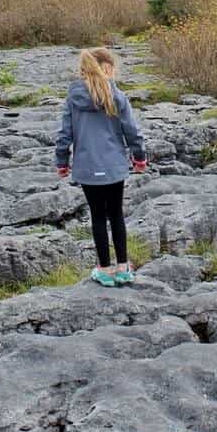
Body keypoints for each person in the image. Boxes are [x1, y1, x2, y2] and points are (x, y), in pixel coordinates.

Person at [55, 47, 147, 287]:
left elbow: (65, 134)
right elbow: (132, 131)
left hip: (86, 167)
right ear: (107, 67)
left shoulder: (74, 97)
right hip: (114, 165)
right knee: (116, 214)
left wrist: (62, 162)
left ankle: (104, 269)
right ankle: (124, 268)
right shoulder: (117, 96)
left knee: (97, 216)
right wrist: (139, 158)